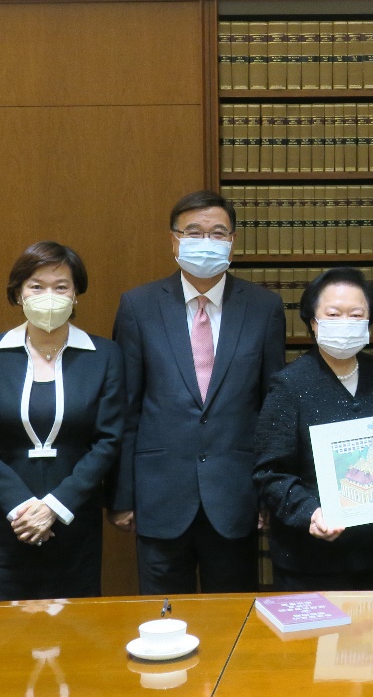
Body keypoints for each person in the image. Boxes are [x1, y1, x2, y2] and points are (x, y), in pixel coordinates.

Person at [110, 190, 285, 594]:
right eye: (194, 232)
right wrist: (122, 496)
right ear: (174, 240)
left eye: (218, 232)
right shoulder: (138, 305)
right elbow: (126, 406)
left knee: (232, 617)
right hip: (158, 495)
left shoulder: (263, 307)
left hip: (235, 494)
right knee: (161, 616)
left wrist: (267, 494)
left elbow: (270, 409)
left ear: (232, 241)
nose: (206, 242)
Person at [253, 267, 373, 590]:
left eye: (356, 314)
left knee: (370, 641)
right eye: (333, 314)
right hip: (308, 557)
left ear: (369, 322)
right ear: (313, 322)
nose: (345, 323)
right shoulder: (289, 384)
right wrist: (310, 513)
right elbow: (269, 473)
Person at [0, 241, 124, 601]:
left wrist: (54, 507)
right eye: (36, 286)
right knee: (6, 639)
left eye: (61, 286)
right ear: (18, 293)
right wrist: (23, 507)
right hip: (10, 522)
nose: (49, 295)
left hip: (74, 517)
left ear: (76, 295)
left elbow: (108, 440)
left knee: (76, 637)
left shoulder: (105, 356)